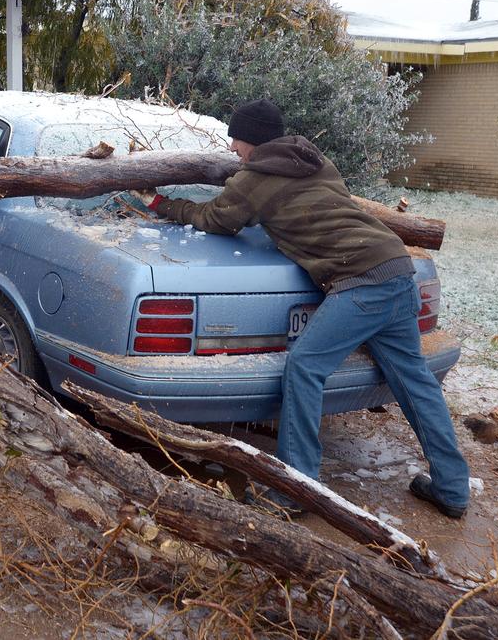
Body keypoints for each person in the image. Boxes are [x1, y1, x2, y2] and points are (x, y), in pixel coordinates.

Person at [144, 99, 470, 519]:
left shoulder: (253, 178)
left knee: (304, 368)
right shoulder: (315, 161)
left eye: (235, 139)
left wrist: (162, 205)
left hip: (360, 284)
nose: (231, 146)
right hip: (395, 267)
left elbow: (216, 218)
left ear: (249, 139)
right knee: (416, 383)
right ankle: (453, 488)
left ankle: (295, 488)